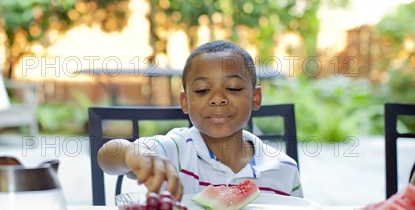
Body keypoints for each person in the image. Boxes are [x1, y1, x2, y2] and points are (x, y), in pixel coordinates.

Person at [97, 40, 303, 200]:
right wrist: (132, 153)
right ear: (185, 102)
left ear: (255, 98)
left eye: (233, 88)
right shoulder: (174, 151)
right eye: (203, 90)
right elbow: (108, 156)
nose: (218, 99)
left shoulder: (284, 168)